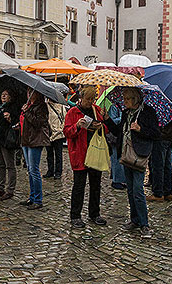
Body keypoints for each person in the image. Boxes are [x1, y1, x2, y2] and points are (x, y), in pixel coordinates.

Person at [104, 87, 160, 238]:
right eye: (124, 99)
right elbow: (118, 132)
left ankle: (144, 224)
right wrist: (107, 120)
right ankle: (134, 219)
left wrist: (140, 129)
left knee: (138, 190)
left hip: (139, 154)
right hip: (125, 154)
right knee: (130, 189)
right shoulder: (125, 113)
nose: (124, 101)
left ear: (134, 99)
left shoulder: (147, 112)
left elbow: (155, 133)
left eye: (127, 99)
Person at [63, 85, 108, 228]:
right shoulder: (73, 112)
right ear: (81, 98)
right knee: (79, 186)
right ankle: (75, 215)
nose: (90, 102)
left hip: (95, 152)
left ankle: (94, 213)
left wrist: (102, 124)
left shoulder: (97, 110)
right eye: (87, 99)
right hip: (80, 154)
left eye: (92, 99)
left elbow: (106, 129)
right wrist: (77, 126)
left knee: (96, 185)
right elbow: (67, 132)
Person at [19, 88, 50, 210]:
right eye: (28, 91)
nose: (29, 94)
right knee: (30, 170)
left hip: (35, 141)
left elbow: (38, 123)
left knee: (34, 170)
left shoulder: (41, 106)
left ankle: (38, 199)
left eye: (32, 91)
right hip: (26, 140)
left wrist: (27, 112)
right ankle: (32, 197)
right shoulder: (29, 105)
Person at [0, 89, 20, 201]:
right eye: (2, 94)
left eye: (6, 94)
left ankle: (10, 190)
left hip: (7, 139)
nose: (4, 96)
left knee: (9, 165)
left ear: (11, 96)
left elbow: (17, 124)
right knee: (0, 164)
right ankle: (0, 188)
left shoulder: (14, 108)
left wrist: (10, 119)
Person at [148, 102, 172, 203]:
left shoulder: (162, 103)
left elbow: (159, 122)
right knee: (167, 165)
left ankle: (158, 193)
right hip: (170, 137)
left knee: (158, 165)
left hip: (161, 137)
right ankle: (168, 192)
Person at [44, 97, 65, 180]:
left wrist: (61, 129)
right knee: (49, 154)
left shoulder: (61, 106)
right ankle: (50, 171)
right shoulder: (45, 106)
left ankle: (58, 172)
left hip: (58, 134)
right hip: (48, 133)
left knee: (58, 154)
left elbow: (64, 118)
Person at [107, 104, 126, 190]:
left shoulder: (123, 108)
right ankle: (116, 180)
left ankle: (121, 179)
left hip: (121, 136)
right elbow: (113, 121)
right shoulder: (114, 107)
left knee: (120, 159)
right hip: (115, 137)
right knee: (115, 158)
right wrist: (122, 118)